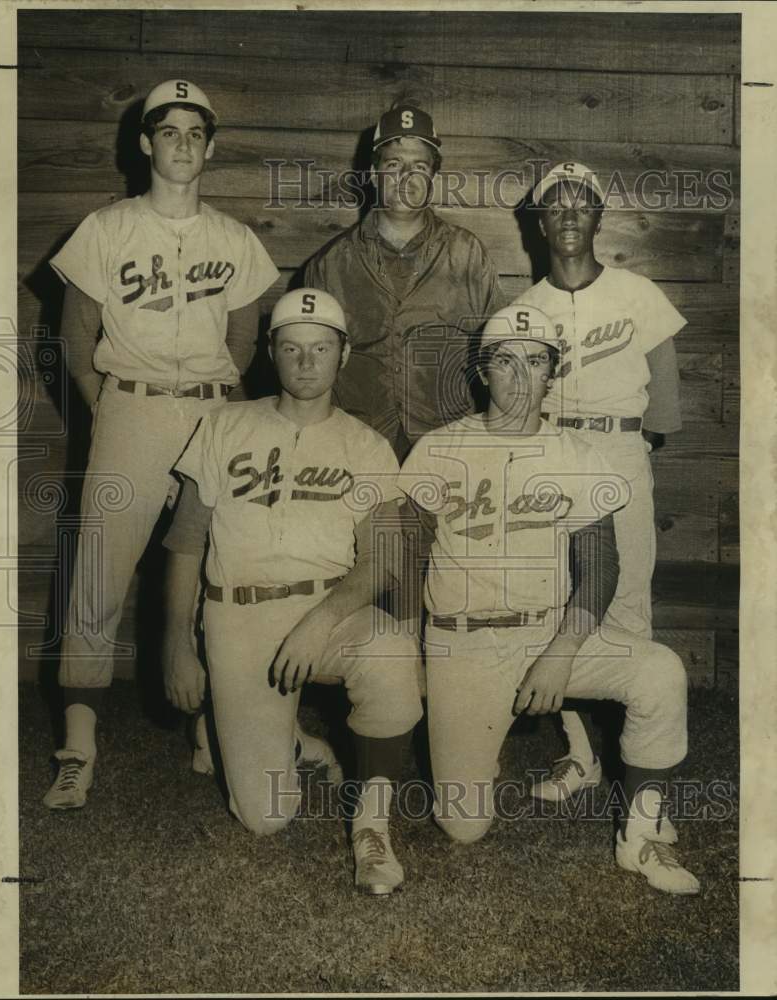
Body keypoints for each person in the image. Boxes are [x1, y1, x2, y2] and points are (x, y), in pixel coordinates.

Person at [399, 303, 699, 895]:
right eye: (503, 362)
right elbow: (404, 558)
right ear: (482, 372)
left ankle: (641, 836)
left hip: (547, 632)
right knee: (463, 825)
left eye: (534, 361)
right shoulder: (437, 448)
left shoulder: (579, 455)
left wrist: (563, 648)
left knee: (660, 672)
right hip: (464, 641)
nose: (518, 375)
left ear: (553, 372)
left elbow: (600, 562)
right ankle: (480, 741)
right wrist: (411, 650)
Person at [43, 80, 279, 810]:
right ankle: (78, 747)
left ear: (209, 146)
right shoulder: (106, 228)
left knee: (212, 567)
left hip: (210, 414)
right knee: (97, 578)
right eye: (167, 131)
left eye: (194, 133)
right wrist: (107, 408)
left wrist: (217, 413)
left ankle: (207, 725)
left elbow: (243, 341)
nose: (181, 144)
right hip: (131, 410)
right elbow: (74, 339)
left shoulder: (234, 239)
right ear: (144, 143)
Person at [162, 288, 423, 895]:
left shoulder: (365, 444)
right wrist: (178, 643)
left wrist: (319, 620)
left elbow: (383, 558)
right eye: (291, 348)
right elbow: (183, 544)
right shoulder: (223, 424)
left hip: (329, 609)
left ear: (344, 354)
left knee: (389, 654)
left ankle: (373, 826)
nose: (307, 363)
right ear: (271, 355)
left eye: (321, 349)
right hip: (238, 611)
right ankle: (283, 739)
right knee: (266, 817)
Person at [513, 161, 687, 802]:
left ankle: (635, 761)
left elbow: (665, 414)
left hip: (619, 452)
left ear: (597, 215)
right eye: (553, 205)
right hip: (550, 453)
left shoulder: (638, 295)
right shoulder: (523, 310)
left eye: (579, 203)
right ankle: (582, 755)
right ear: (538, 221)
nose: (566, 215)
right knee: (560, 597)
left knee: (627, 600)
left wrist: (626, 447)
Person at [304, 103, 508, 460]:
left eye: (420, 166)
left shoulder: (467, 254)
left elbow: (501, 352)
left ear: (434, 176)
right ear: (372, 173)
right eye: (393, 164)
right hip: (354, 444)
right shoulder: (331, 263)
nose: (406, 177)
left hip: (447, 444)